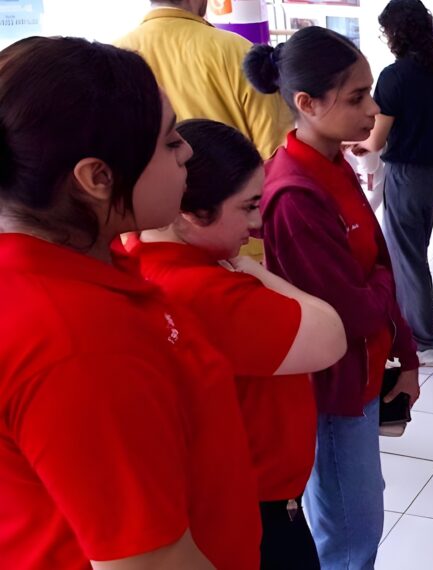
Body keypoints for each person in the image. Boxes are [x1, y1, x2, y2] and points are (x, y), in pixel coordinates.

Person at [0, 37, 260, 569]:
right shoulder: (79, 341)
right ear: (98, 178)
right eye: (169, 142)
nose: (188, 151)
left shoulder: (88, 273)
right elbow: (150, 563)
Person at [126, 119, 349, 569]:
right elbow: (331, 335)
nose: (256, 223)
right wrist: (252, 272)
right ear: (191, 212)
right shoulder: (204, 290)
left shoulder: (140, 259)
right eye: (247, 207)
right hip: (258, 506)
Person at [244, 26, 421, 570]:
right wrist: (383, 283)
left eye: (369, 92)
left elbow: (377, 269)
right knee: (349, 534)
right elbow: (351, 311)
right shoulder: (295, 193)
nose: (373, 109)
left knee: (356, 519)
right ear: (306, 103)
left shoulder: (333, 164)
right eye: (356, 97)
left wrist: (406, 354)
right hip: (334, 391)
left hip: (362, 376)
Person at [352, 0, 433, 367]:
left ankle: (426, 342)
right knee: (415, 252)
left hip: (406, 175)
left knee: (405, 256)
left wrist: (354, 144)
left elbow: (376, 141)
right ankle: (427, 314)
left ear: (396, 32)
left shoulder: (395, 76)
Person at [117, 0, 292, 159]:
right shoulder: (237, 51)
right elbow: (276, 150)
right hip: (235, 189)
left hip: (154, 193)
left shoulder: (116, 57)